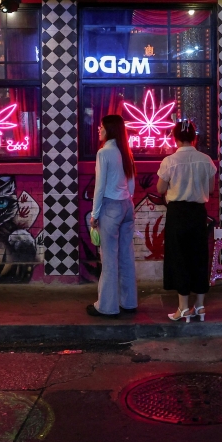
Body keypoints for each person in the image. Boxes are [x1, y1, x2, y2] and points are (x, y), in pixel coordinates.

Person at [157, 120, 217, 323]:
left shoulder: (169, 161)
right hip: (198, 213)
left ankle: (183, 308)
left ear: (174, 138)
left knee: (179, 257)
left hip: (177, 213)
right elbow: (210, 190)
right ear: (195, 138)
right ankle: (199, 306)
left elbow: (159, 188)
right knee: (199, 257)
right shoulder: (206, 160)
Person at [87, 114, 137, 318]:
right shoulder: (125, 151)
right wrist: (128, 199)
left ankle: (107, 306)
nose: (99, 130)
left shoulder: (104, 153)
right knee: (126, 257)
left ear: (109, 130)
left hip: (110, 207)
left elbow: (99, 188)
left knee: (108, 259)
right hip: (127, 206)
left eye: (101, 127)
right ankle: (129, 302)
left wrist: (94, 214)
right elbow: (132, 182)